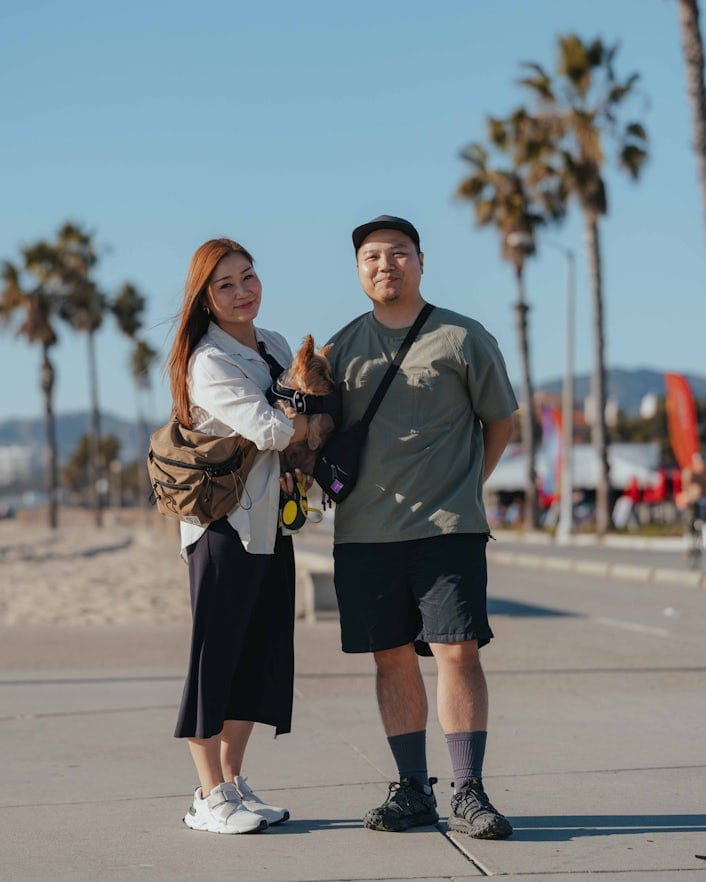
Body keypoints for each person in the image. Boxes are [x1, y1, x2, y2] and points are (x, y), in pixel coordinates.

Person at [326, 215, 518, 839]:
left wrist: (466, 487)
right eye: (373, 257)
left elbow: (501, 423)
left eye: (399, 254)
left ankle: (469, 791)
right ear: (359, 271)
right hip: (365, 534)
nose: (387, 265)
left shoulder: (463, 337)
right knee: (390, 660)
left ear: (421, 261)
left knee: (456, 652)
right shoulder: (339, 350)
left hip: (448, 529)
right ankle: (413, 791)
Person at [166, 238, 310, 834]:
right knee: (215, 658)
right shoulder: (208, 360)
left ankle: (230, 783)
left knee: (258, 656)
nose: (242, 290)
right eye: (225, 284)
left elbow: (293, 419)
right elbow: (271, 429)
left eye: (248, 276)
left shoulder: (274, 344)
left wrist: (304, 417)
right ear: (205, 297)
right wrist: (310, 415)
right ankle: (207, 796)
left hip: (271, 524)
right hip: (222, 528)